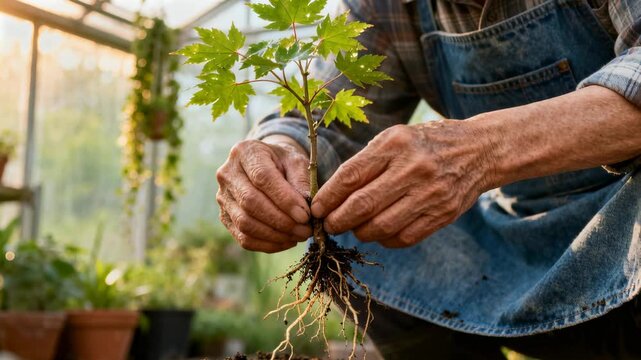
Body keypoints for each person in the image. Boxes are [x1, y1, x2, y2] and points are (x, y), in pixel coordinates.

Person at [215, 0, 641, 358]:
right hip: (518, 247)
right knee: (347, 228)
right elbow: (326, 122)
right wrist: (277, 150)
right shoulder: (384, 7)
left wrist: (482, 148)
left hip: (631, 231)